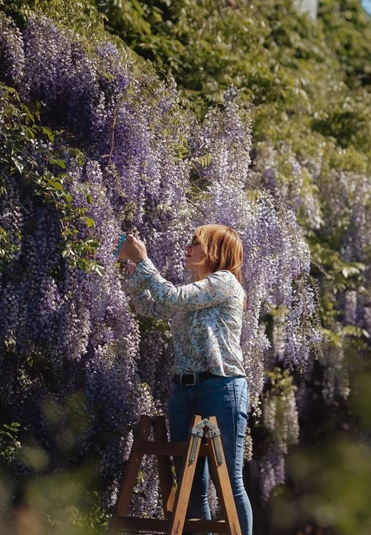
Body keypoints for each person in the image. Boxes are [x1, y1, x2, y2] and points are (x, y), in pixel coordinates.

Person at [117, 224, 252, 535]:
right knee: (191, 484)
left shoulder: (224, 283)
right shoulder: (195, 292)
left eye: (196, 243)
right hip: (184, 391)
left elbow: (172, 296)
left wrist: (146, 261)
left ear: (216, 251)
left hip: (222, 386)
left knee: (229, 481)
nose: (187, 248)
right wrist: (133, 266)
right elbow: (149, 305)